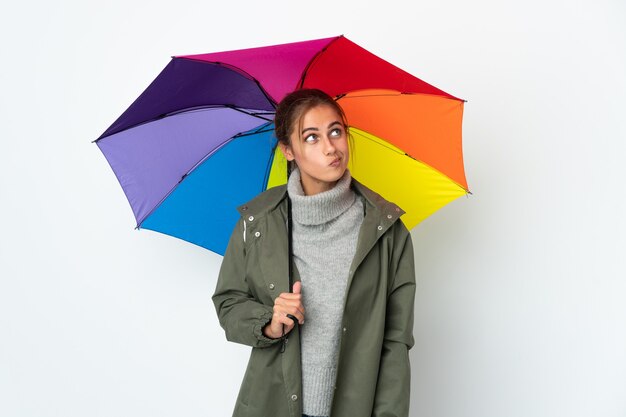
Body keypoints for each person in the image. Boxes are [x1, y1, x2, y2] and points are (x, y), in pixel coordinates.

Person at [212, 89, 416, 417]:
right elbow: (229, 302)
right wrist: (268, 321)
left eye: (336, 131)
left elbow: (395, 342)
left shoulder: (387, 231)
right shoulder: (257, 221)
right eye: (311, 137)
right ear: (288, 150)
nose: (330, 147)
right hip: (271, 404)